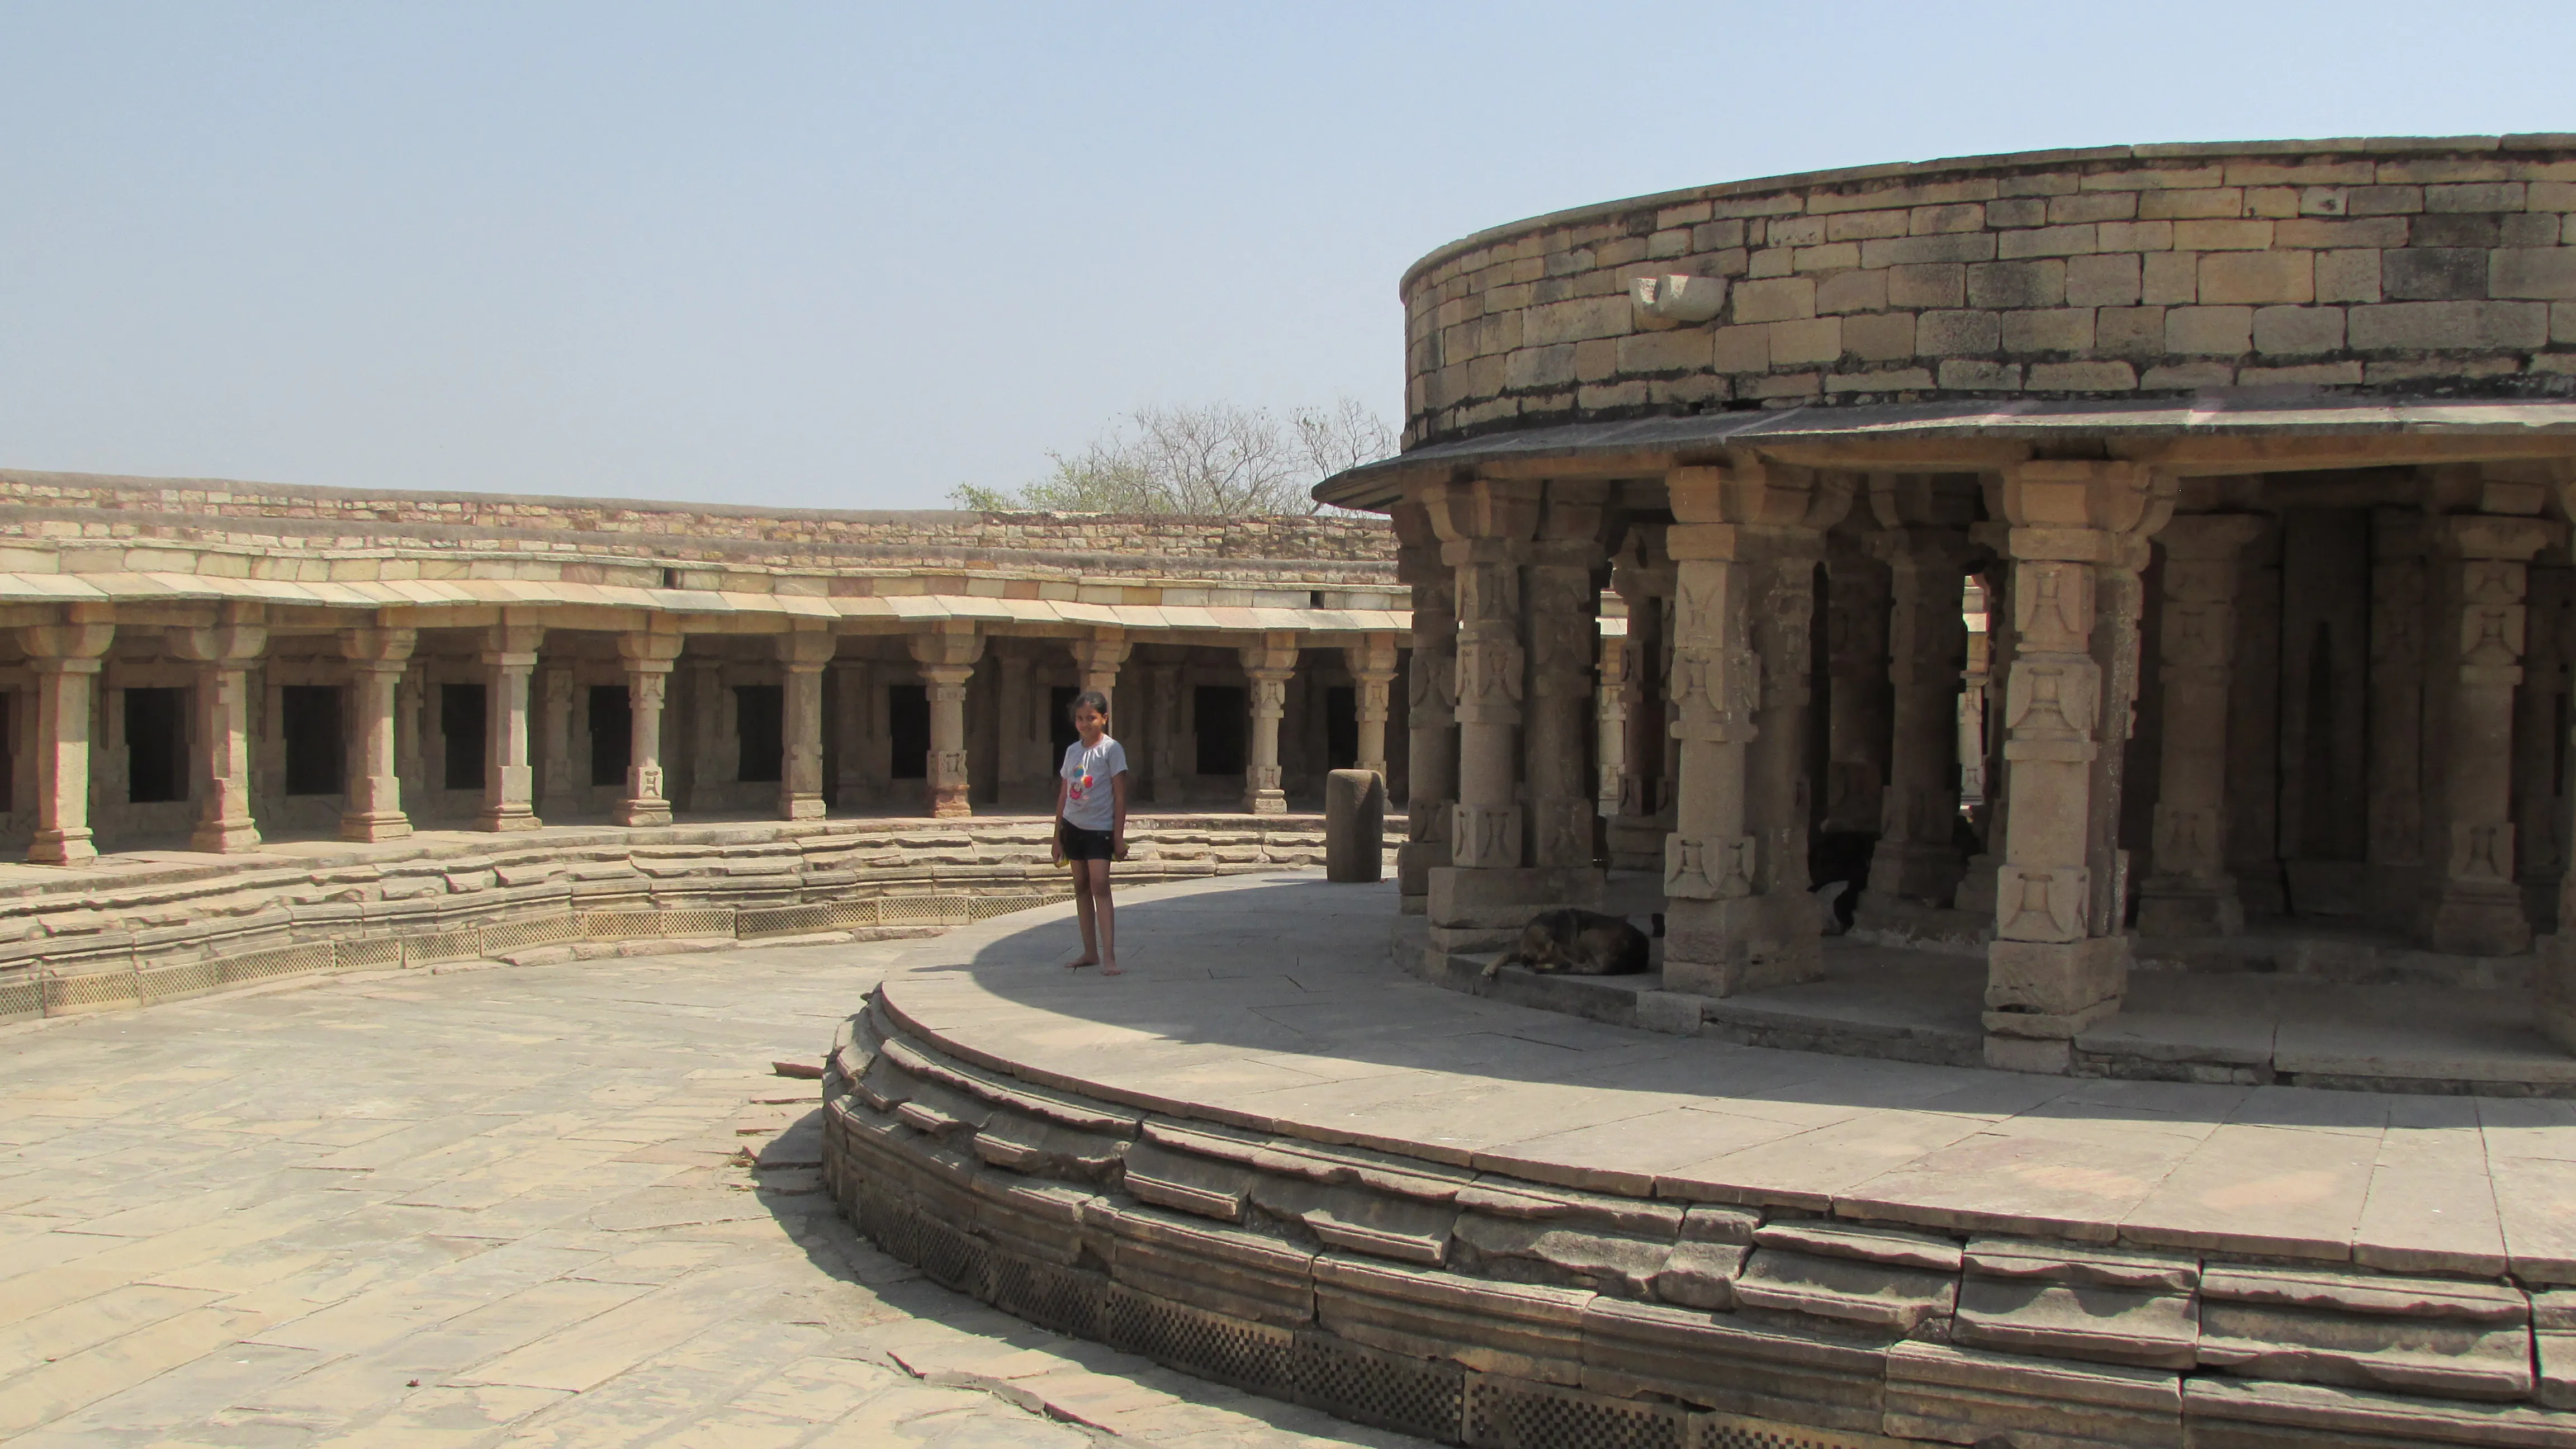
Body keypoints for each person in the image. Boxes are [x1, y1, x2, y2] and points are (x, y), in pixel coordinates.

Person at [1051, 689, 1129, 974]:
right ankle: (1089, 952)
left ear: (1104, 719)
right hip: (1073, 826)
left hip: (1100, 828)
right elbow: (1064, 795)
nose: (1085, 724)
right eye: (1080, 719)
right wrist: (1056, 836)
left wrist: (1118, 836)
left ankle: (1109, 956)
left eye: (1091, 718)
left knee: (1100, 885)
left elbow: (1120, 796)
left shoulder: (1112, 750)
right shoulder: (1073, 751)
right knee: (1081, 886)